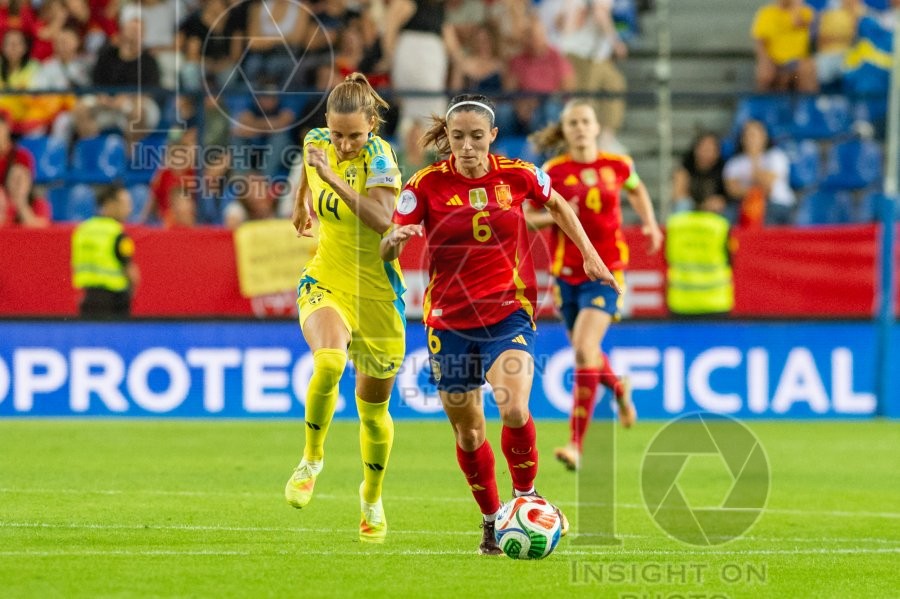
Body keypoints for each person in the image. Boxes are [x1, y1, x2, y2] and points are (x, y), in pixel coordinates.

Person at [381, 94, 620, 554]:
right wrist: (394, 240)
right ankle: (491, 520)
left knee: (513, 406)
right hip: (448, 322)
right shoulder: (424, 185)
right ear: (447, 139)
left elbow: (559, 206)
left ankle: (527, 497)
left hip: (508, 311)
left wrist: (590, 255)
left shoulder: (519, 173)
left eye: (476, 137)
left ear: (492, 136)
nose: (467, 147)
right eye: (457, 138)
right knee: (469, 433)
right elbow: (389, 246)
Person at [285, 73, 404, 544]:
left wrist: (332, 175)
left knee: (374, 412)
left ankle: (371, 498)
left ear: (372, 124)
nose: (345, 142)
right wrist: (301, 202)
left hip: (376, 293)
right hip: (327, 276)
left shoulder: (381, 158)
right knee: (330, 360)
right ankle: (311, 459)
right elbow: (308, 163)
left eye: (355, 134)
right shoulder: (317, 140)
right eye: (338, 134)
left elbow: (382, 220)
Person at [526, 99, 662, 471]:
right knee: (587, 351)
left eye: (585, 121)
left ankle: (575, 444)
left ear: (597, 127)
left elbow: (637, 189)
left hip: (607, 273)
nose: (580, 128)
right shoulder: (553, 170)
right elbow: (527, 217)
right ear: (565, 131)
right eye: (573, 123)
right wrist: (558, 216)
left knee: (585, 349)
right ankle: (619, 388)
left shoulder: (618, 165)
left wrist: (649, 222)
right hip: (565, 275)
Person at [71, 184, 139, 318]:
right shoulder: (117, 234)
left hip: (88, 299)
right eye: (124, 204)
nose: (129, 209)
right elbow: (131, 272)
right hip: (115, 303)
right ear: (110, 204)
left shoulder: (82, 230)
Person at [665, 194, 734, 317]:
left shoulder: (675, 224)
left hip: (681, 303)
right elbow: (731, 260)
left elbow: (666, 258)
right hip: (716, 303)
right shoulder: (720, 225)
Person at [724, 119, 795, 226]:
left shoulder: (776, 156)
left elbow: (766, 186)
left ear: (764, 137)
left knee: (766, 217)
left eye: (755, 135)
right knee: (726, 216)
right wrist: (754, 194)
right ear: (742, 139)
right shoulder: (734, 163)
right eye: (748, 135)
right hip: (744, 205)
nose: (751, 139)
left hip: (776, 204)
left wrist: (754, 159)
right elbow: (732, 190)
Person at [751, 0, 817, 93]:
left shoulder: (806, 12)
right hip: (774, 61)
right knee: (764, 73)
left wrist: (796, 5)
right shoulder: (767, 13)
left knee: (807, 68)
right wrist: (765, 62)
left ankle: (806, 105)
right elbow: (760, 41)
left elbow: (797, 22)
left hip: (798, 61)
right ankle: (763, 105)